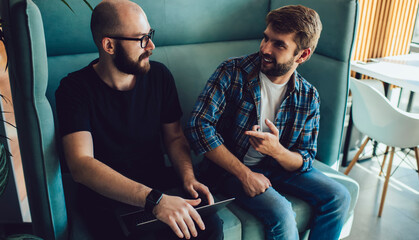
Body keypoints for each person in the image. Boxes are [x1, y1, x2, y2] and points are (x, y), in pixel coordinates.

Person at [55, 0, 223, 239]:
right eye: (141, 39)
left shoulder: (160, 76)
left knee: (209, 226)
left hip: (159, 183)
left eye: (150, 35)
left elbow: (174, 137)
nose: (151, 46)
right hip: (107, 198)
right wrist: (154, 200)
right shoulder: (73, 89)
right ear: (109, 45)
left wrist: (188, 177)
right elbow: (81, 165)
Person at [186, 5, 350, 240]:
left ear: (303, 55)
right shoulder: (232, 72)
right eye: (266, 38)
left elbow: (305, 158)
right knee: (281, 211)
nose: (265, 48)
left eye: (279, 44)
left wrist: (277, 151)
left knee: (339, 196)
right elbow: (198, 126)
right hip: (231, 169)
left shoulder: (308, 95)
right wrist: (245, 174)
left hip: (278, 169)